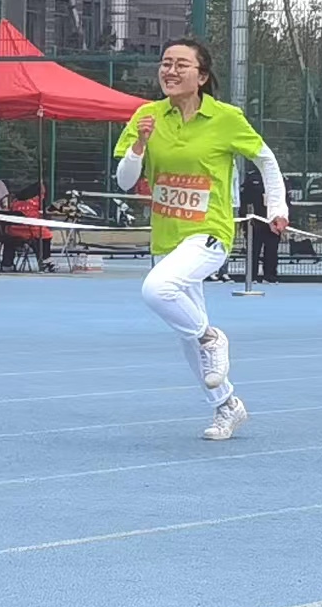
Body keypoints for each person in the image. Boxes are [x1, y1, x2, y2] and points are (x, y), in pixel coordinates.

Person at [114, 39, 289, 441]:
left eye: (181, 65)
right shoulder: (146, 116)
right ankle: (227, 406)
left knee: (158, 290)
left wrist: (277, 207)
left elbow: (265, 159)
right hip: (166, 237)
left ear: (203, 76)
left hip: (209, 231)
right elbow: (124, 181)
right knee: (186, 336)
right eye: (165, 63)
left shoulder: (226, 118)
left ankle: (212, 336)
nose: (170, 71)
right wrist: (139, 145)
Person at [240, 163, 280, 283]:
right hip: (255, 222)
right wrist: (244, 220)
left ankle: (270, 275)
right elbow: (244, 200)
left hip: (273, 221)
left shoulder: (278, 179)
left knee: (272, 250)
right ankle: (251, 276)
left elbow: (285, 201)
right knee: (253, 250)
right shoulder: (252, 178)